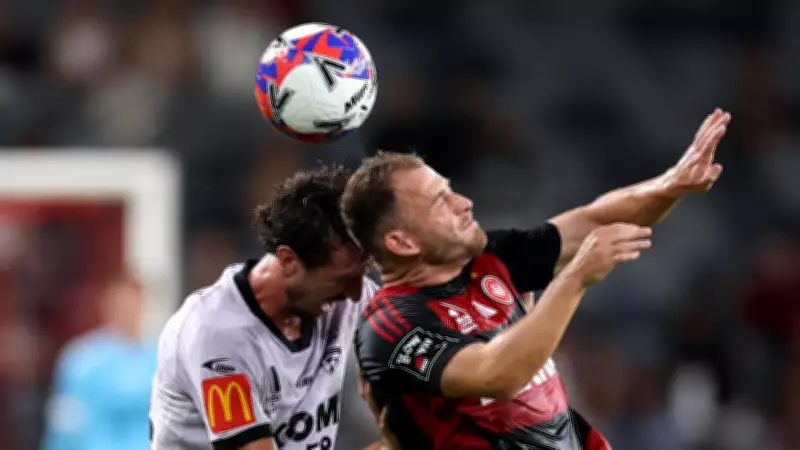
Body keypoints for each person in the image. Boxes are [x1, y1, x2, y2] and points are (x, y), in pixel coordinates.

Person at [342, 109, 731, 449]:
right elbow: (497, 373)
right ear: (401, 242)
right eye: (439, 201)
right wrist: (575, 278)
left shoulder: (489, 259)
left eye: (451, 190)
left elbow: (593, 219)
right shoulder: (390, 326)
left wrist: (672, 183)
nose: (464, 202)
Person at [149, 166, 385, 450]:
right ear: (288, 261)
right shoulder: (215, 334)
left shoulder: (345, 296)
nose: (357, 292)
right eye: (342, 279)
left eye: (361, 274)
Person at [41, 275, 157, 450]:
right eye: (121, 303)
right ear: (107, 305)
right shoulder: (82, 359)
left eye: (132, 302)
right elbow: (66, 423)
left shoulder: (158, 358)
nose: (127, 310)